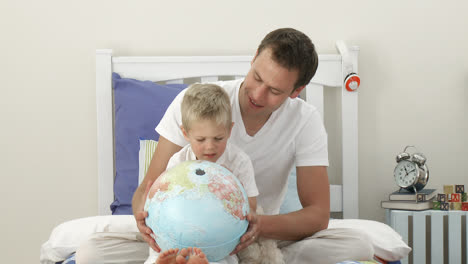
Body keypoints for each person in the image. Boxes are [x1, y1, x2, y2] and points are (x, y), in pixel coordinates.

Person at [76, 28, 374, 264]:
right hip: (181, 229)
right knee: (91, 252)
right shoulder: (198, 103)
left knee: (359, 245)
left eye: (274, 90)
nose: (257, 94)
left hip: (255, 235)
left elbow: (318, 214)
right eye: (257, 76)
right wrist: (147, 220)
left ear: (296, 91)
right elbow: (148, 187)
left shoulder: (304, 120)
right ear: (254, 56)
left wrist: (257, 227)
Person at [146, 83, 258, 264]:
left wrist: (233, 190)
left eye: (218, 138)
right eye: (200, 139)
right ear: (185, 133)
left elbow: (250, 205)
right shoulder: (178, 160)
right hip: (178, 233)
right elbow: (163, 199)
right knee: (156, 253)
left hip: (218, 240)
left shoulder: (239, 162)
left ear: (230, 130)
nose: (210, 146)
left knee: (227, 260)